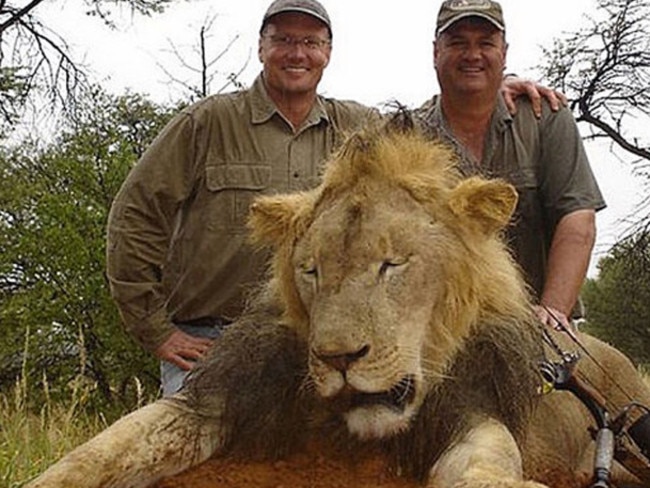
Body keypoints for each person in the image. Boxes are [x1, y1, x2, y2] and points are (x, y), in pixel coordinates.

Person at [107, 0, 568, 397]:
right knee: (184, 456)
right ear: (261, 47)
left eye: (311, 42)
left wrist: (487, 92)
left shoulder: (360, 128)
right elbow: (134, 217)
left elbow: (426, 162)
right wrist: (157, 331)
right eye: (284, 39)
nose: (297, 53)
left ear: (328, 52)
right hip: (208, 338)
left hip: (306, 337)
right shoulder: (207, 123)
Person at [416, 0, 605, 330]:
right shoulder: (408, 133)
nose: (472, 55)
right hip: (443, 330)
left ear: (504, 53)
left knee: (609, 377)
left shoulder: (547, 116)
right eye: (458, 42)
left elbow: (578, 219)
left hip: (538, 322)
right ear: (435, 53)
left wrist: (553, 313)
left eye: (485, 43)